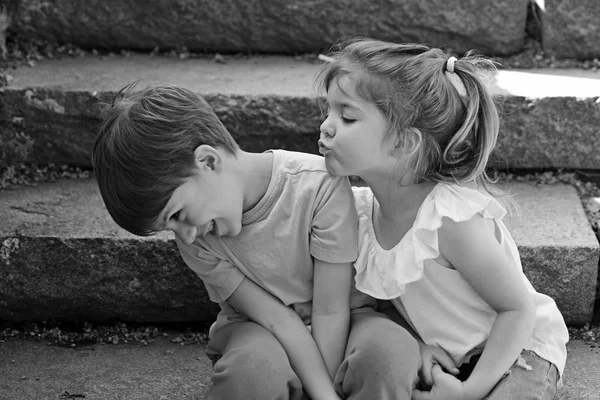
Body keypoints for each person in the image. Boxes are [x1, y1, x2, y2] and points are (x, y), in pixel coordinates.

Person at [92, 84, 420, 400]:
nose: (185, 235)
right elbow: (276, 318)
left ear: (207, 162)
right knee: (252, 374)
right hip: (259, 329)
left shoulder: (319, 186)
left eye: (176, 215)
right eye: (169, 229)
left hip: (345, 321)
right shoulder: (195, 238)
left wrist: (324, 390)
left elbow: (331, 309)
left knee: (389, 355)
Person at [316, 38, 569, 400]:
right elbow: (385, 300)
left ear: (405, 143)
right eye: (328, 111)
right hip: (449, 356)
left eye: (347, 116)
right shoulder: (358, 212)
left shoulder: (448, 218)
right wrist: (417, 345)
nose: (326, 127)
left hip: (518, 350)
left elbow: (517, 309)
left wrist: (469, 391)